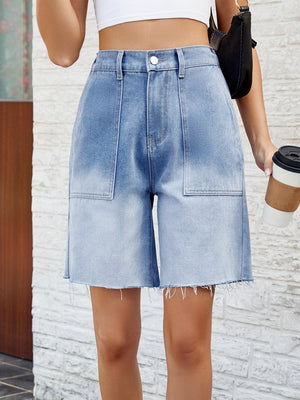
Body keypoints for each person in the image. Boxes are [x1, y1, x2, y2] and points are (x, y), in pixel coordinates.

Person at [37, 0, 278, 398]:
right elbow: (63, 50)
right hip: (108, 112)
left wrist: (261, 141)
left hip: (200, 111)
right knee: (112, 340)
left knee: (188, 342)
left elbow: (238, 37)